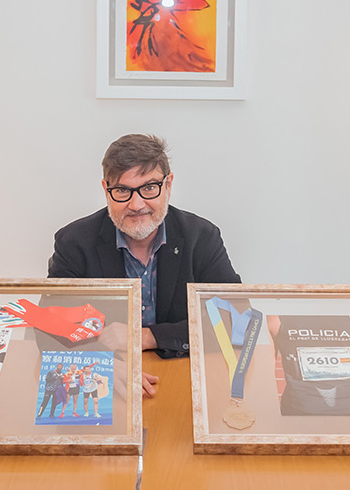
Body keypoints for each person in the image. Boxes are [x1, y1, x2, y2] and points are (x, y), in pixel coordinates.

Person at [48, 134, 242, 389]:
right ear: (106, 190)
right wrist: (100, 362)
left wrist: (146, 337)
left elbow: (235, 319)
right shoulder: (74, 242)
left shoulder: (201, 237)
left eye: (149, 188)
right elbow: (50, 327)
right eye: (122, 191)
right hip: (104, 379)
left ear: (168, 184)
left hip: (183, 373)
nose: (136, 204)